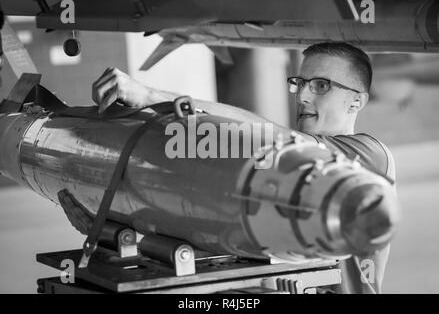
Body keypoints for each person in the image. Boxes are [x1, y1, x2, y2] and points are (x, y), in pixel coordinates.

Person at [84, 42, 396, 294]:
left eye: (321, 86)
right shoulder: (278, 166)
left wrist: (154, 96)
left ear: (356, 101)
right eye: (300, 83)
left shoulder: (368, 157)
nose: (302, 96)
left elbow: (263, 133)